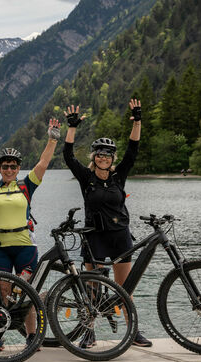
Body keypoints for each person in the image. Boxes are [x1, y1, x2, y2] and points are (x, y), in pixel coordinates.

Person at [0, 117, 61, 352]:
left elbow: (43, 163)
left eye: (13, 166)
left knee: (28, 293)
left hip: (25, 247)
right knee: (3, 292)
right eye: (5, 166)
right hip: (0, 247)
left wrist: (52, 138)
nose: (9, 169)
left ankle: (31, 337)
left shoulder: (27, 185)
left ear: (18, 168)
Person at [63, 99, 152, 348]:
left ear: (112, 157)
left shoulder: (118, 176)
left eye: (108, 154)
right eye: (100, 154)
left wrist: (137, 121)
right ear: (94, 157)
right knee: (91, 288)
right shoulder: (86, 177)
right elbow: (68, 157)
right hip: (94, 237)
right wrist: (72, 129)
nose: (104, 157)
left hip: (119, 236)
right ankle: (89, 332)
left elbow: (133, 149)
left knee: (125, 288)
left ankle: (133, 331)